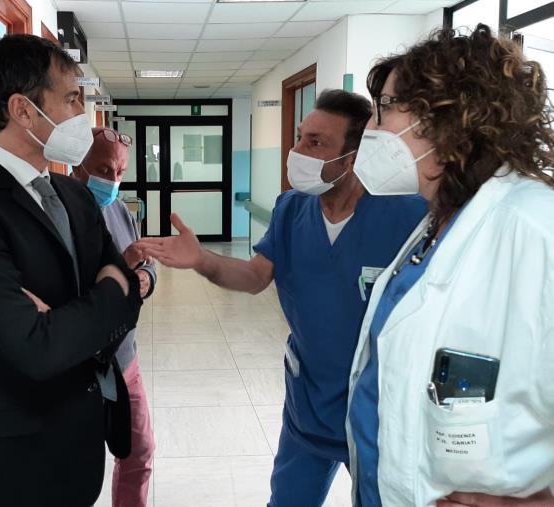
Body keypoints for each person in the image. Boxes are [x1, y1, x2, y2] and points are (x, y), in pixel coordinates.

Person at [136, 89, 428, 506]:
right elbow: (255, 277)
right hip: (309, 400)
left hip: (379, 408)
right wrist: (201, 259)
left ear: (354, 158)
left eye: (316, 143)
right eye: (299, 137)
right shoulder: (292, 208)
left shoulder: (409, 216)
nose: (297, 152)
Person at [0, 34, 142, 507]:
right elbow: (35, 349)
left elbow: (129, 299)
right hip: (13, 465)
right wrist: (109, 290)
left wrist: (66, 316)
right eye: (72, 99)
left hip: (80, 447)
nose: (83, 115)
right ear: (23, 110)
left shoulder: (75, 197)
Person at [346, 24, 554, 507]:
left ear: (445, 117)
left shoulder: (537, 228)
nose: (371, 129)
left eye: (385, 108)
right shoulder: (437, 223)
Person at [73, 127, 156, 507]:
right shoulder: (62, 213)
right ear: (79, 164)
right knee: (77, 465)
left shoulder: (119, 210)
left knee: (139, 451)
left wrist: (145, 279)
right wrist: (124, 267)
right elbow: (73, 289)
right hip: (79, 365)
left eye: (120, 172)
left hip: (124, 359)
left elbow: (144, 263)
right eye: (104, 170)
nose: (112, 180)